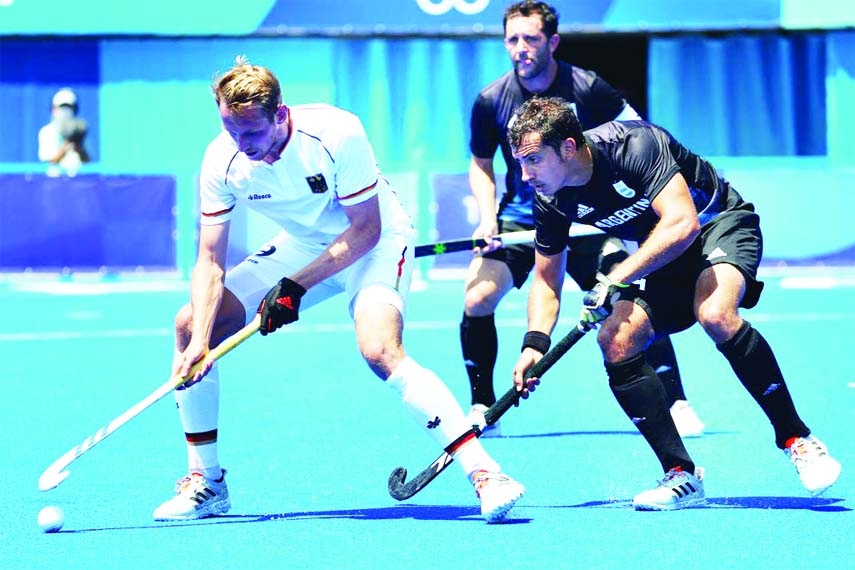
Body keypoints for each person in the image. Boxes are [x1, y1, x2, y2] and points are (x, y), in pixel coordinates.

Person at [151, 56, 525, 524]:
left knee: (379, 348)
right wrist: (204, 341)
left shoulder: (334, 133)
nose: (241, 146)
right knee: (188, 325)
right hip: (302, 246)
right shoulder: (221, 161)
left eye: (251, 133)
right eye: (231, 132)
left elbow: (365, 229)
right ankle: (207, 482)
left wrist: (294, 287)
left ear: (281, 114)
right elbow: (209, 261)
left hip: (375, 241)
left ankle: (488, 475)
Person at [507, 96, 842, 510]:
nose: (525, 175)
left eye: (534, 160)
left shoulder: (632, 145)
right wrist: (533, 345)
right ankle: (681, 474)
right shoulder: (551, 198)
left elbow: (682, 222)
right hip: (662, 253)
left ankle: (797, 438)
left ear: (569, 148)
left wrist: (614, 278)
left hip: (716, 223)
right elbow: (546, 279)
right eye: (520, 162)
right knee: (616, 339)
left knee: (715, 313)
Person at [461, 0, 703, 438]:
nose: (520, 48)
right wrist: (486, 220)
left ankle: (677, 399)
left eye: (530, 38)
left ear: (552, 41)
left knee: (629, 290)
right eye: (512, 39)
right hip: (525, 217)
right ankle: (482, 404)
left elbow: (642, 136)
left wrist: (640, 206)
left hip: (594, 219)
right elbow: (481, 164)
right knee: (477, 297)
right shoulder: (491, 101)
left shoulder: (589, 87)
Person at [38, 88, 90, 177]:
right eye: (62, 107)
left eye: (69, 107)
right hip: (54, 182)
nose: (65, 111)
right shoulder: (46, 132)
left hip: (76, 181)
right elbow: (48, 162)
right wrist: (64, 148)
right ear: (53, 109)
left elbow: (87, 162)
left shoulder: (80, 130)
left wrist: (79, 148)